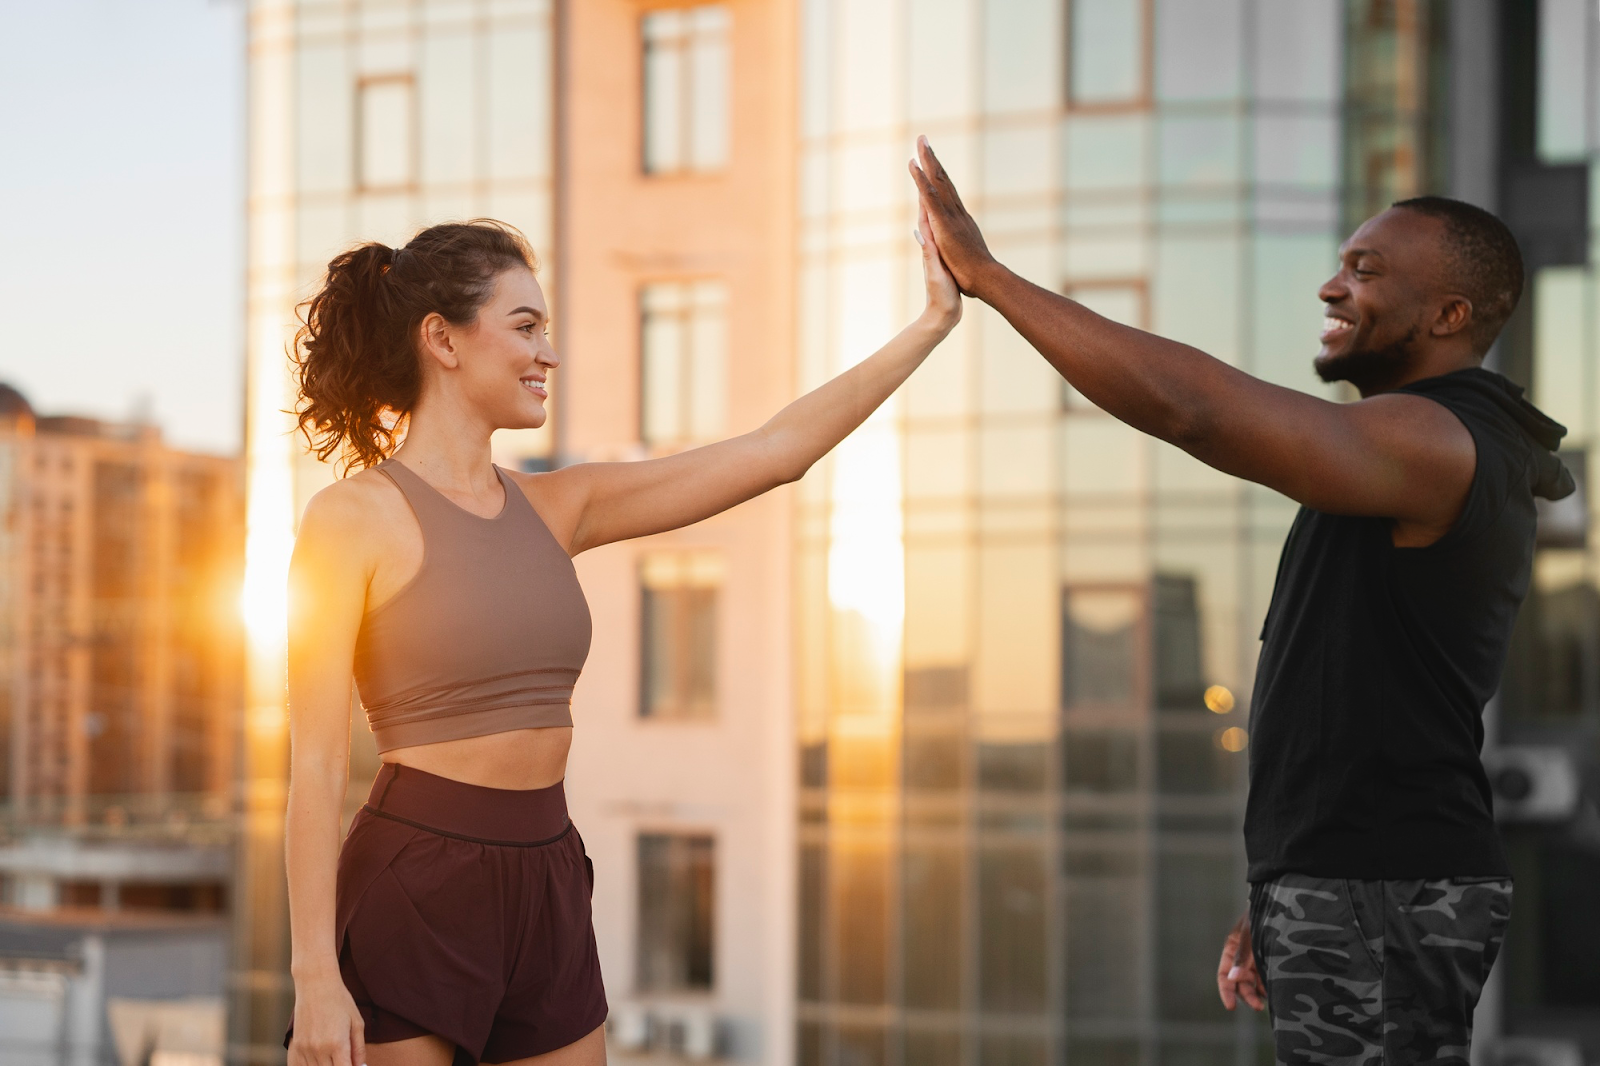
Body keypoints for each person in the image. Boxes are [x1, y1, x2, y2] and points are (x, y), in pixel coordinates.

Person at [910, 137, 1570, 1065]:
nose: (1331, 288)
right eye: (1341, 263)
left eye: (1365, 270)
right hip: (1350, 883)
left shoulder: (1445, 443)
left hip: (1378, 886)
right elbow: (1344, 696)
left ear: (1450, 313)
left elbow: (1198, 412)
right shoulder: (1401, 452)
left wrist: (990, 277)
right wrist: (1282, 890)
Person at [283, 215, 960, 1066]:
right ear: (441, 340)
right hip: (416, 883)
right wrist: (314, 973)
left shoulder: (561, 506)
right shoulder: (349, 519)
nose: (547, 355)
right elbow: (312, 766)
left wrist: (932, 323)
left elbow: (776, 451)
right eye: (525, 327)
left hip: (549, 871)